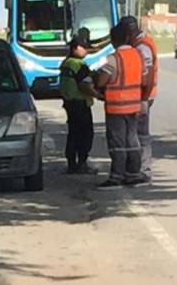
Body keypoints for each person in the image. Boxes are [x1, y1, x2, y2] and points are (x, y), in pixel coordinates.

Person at [92, 22, 143, 190]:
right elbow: (144, 78)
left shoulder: (114, 59)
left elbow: (102, 81)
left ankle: (116, 177)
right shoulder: (137, 55)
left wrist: (97, 82)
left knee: (117, 143)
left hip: (116, 107)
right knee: (132, 140)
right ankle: (133, 174)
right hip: (134, 106)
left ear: (113, 40)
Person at [120, 16, 156, 184]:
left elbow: (148, 75)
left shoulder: (143, 47)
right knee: (133, 134)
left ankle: (143, 170)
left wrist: (143, 99)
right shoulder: (138, 45)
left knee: (140, 135)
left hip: (143, 96)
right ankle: (133, 169)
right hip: (138, 96)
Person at [58, 34, 96, 174]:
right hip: (80, 103)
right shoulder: (79, 65)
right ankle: (82, 163)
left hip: (69, 103)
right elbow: (84, 85)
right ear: (75, 48)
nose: (86, 50)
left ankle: (71, 164)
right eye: (83, 47)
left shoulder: (66, 63)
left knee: (73, 133)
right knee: (85, 134)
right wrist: (99, 95)